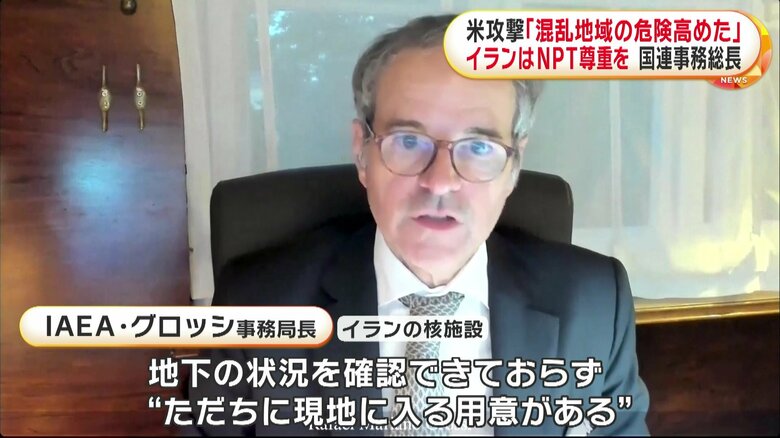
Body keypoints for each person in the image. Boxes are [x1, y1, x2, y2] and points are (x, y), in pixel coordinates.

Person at [185, 14, 649, 437]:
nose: (440, 181)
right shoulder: (256, 306)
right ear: (362, 152)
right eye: (409, 141)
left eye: (479, 147)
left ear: (513, 166)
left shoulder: (593, 304)